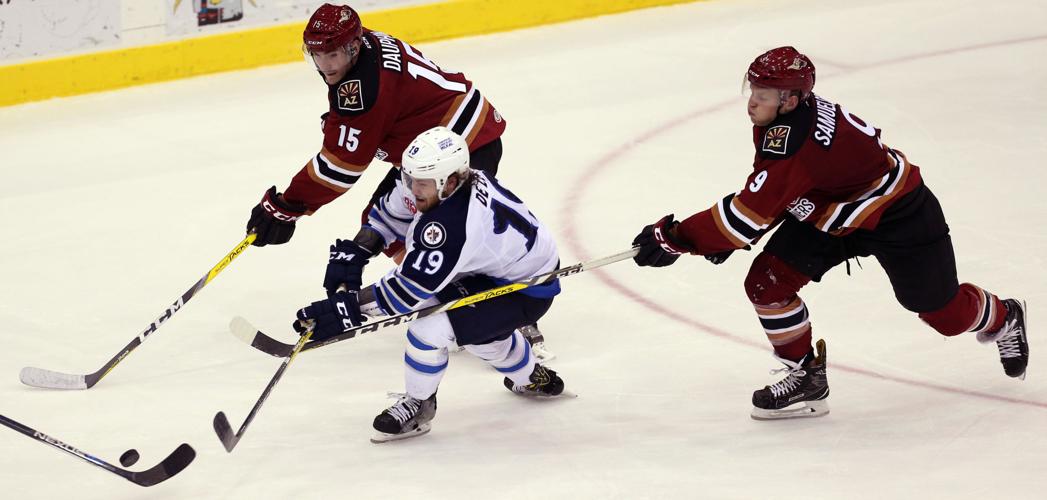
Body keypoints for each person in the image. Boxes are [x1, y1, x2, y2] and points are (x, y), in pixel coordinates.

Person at [631, 46, 1029, 420]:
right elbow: (774, 195)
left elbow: (744, 217)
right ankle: (807, 377)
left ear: (790, 99)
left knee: (943, 313)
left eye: (764, 94)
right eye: (753, 90)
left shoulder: (796, 141)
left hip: (898, 214)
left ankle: (1003, 316)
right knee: (767, 285)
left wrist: (678, 237)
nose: (753, 101)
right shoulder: (784, 121)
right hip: (831, 214)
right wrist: (728, 235)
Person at [242, 3, 553, 360]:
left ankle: (499, 312)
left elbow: (339, 169)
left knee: (445, 235)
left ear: (352, 48)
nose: (324, 63)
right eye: (316, 54)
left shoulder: (362, 90)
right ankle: (450, 293)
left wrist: (285, 206)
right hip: (446, 139)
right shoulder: (367, 46)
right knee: (386, 221)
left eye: (331, 54)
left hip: (458, 150)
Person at [293, 127, 567, 442]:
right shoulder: (441, 181)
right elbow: (389, 216)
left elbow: (405, 294)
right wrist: (357, 251)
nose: (411, 188)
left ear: (450, 181)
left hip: (525, 288)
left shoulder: (454, 222)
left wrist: (348, 310)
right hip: (496, 267)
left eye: (419, 183)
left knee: (430, 327)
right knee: (482, 336)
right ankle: (532, 377)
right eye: (408, 178)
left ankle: (420, 404)